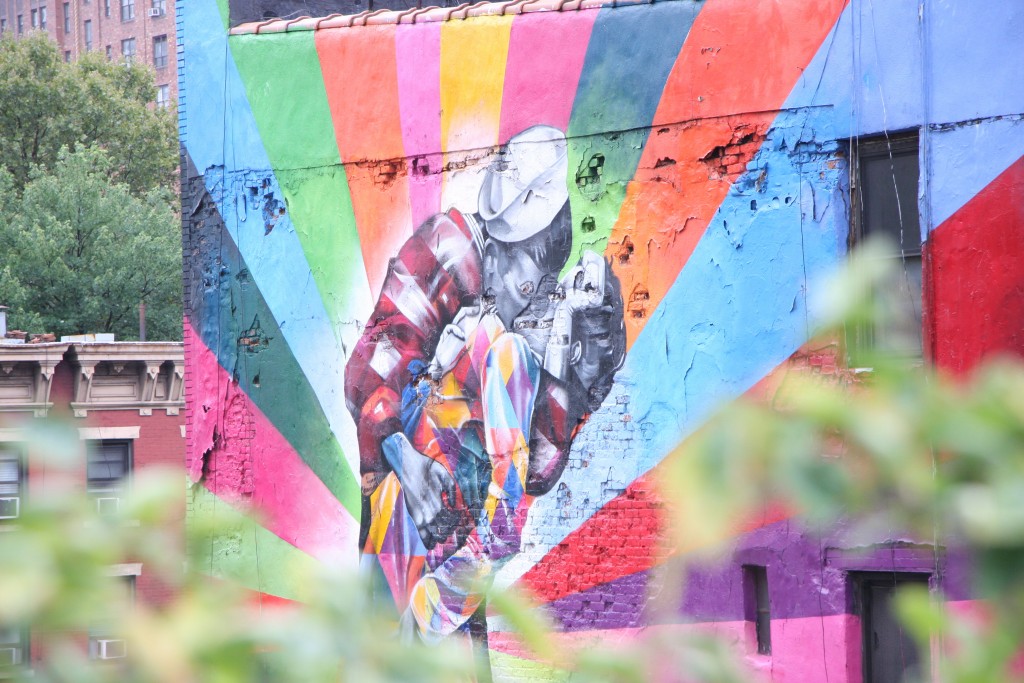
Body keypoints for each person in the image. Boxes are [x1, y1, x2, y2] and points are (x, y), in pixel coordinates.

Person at [344, 125, 626, 642]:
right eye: (527, 279)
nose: (531, 298)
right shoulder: (448, 254)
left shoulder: (514, 345)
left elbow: (527, 475)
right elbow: (369, 371)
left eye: (545, 284)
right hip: (403, 522)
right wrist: (408, 463)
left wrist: (578, 373)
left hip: (453, 555)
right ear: (501, 247)